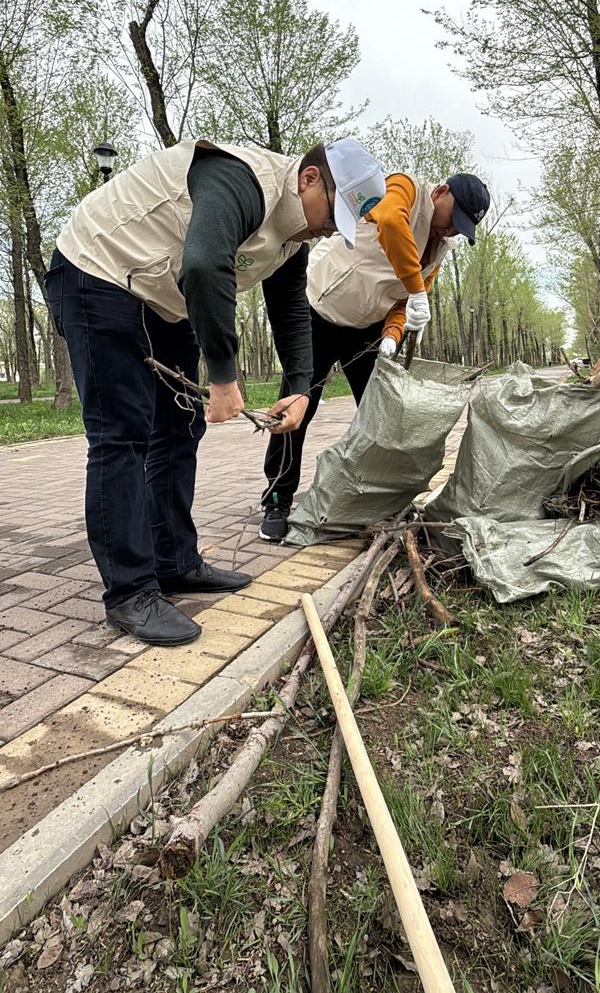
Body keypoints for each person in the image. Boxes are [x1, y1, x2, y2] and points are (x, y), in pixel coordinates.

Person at [45, 137, 385, 645]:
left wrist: (300, 387)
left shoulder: (293, 239)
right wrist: (224, 375)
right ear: (309, 178)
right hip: (100, 268)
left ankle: (174, 561)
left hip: (163, 296)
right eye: (334, 213)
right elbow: (205, 264)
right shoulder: (242, 178)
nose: (332, 228)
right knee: (123, 433)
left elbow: (291, 312)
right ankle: (131, 592)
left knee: (180, 427)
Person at [259, 170, 490, 540]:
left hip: (367, 328)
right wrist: (417, 290)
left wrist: (392, 334)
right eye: (455, 218)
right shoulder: (406, 189)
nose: (453, 230)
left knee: (382, 414)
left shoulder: (439, 250)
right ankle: (277, 498)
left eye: (462, 228)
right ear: (442, 192)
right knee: (297, 407)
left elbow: (402, 304)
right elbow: (390, 223)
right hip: (319, 311)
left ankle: (375, 499)